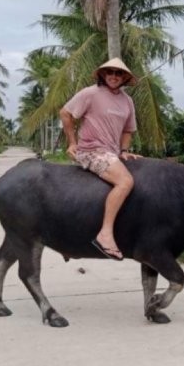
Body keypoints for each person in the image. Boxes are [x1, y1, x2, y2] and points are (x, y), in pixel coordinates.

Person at [60, 58, 141, 261]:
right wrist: (72, 143)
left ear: (124, 78)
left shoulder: (127, 101)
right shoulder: (91, 93)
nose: (114, 76)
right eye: (110, 72)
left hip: (112, 153)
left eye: (118, 73)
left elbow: (128, 130)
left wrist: (124, 150)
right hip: (92, 150)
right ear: (103, 75)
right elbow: (65, 113)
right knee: (125, 181)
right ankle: (105, 234)